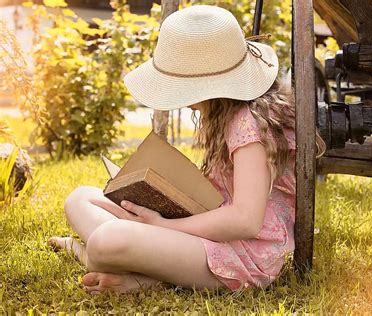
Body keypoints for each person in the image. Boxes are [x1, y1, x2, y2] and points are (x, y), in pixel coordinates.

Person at [47, 5, 326, 294]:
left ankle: (122, 268)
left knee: (107, 241)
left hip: (241, 253)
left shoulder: (249, 124)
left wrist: (162, 226)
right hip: (206, 229)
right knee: (80, 199)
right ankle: (133, 263)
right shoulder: (227, 114)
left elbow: (245, 221)